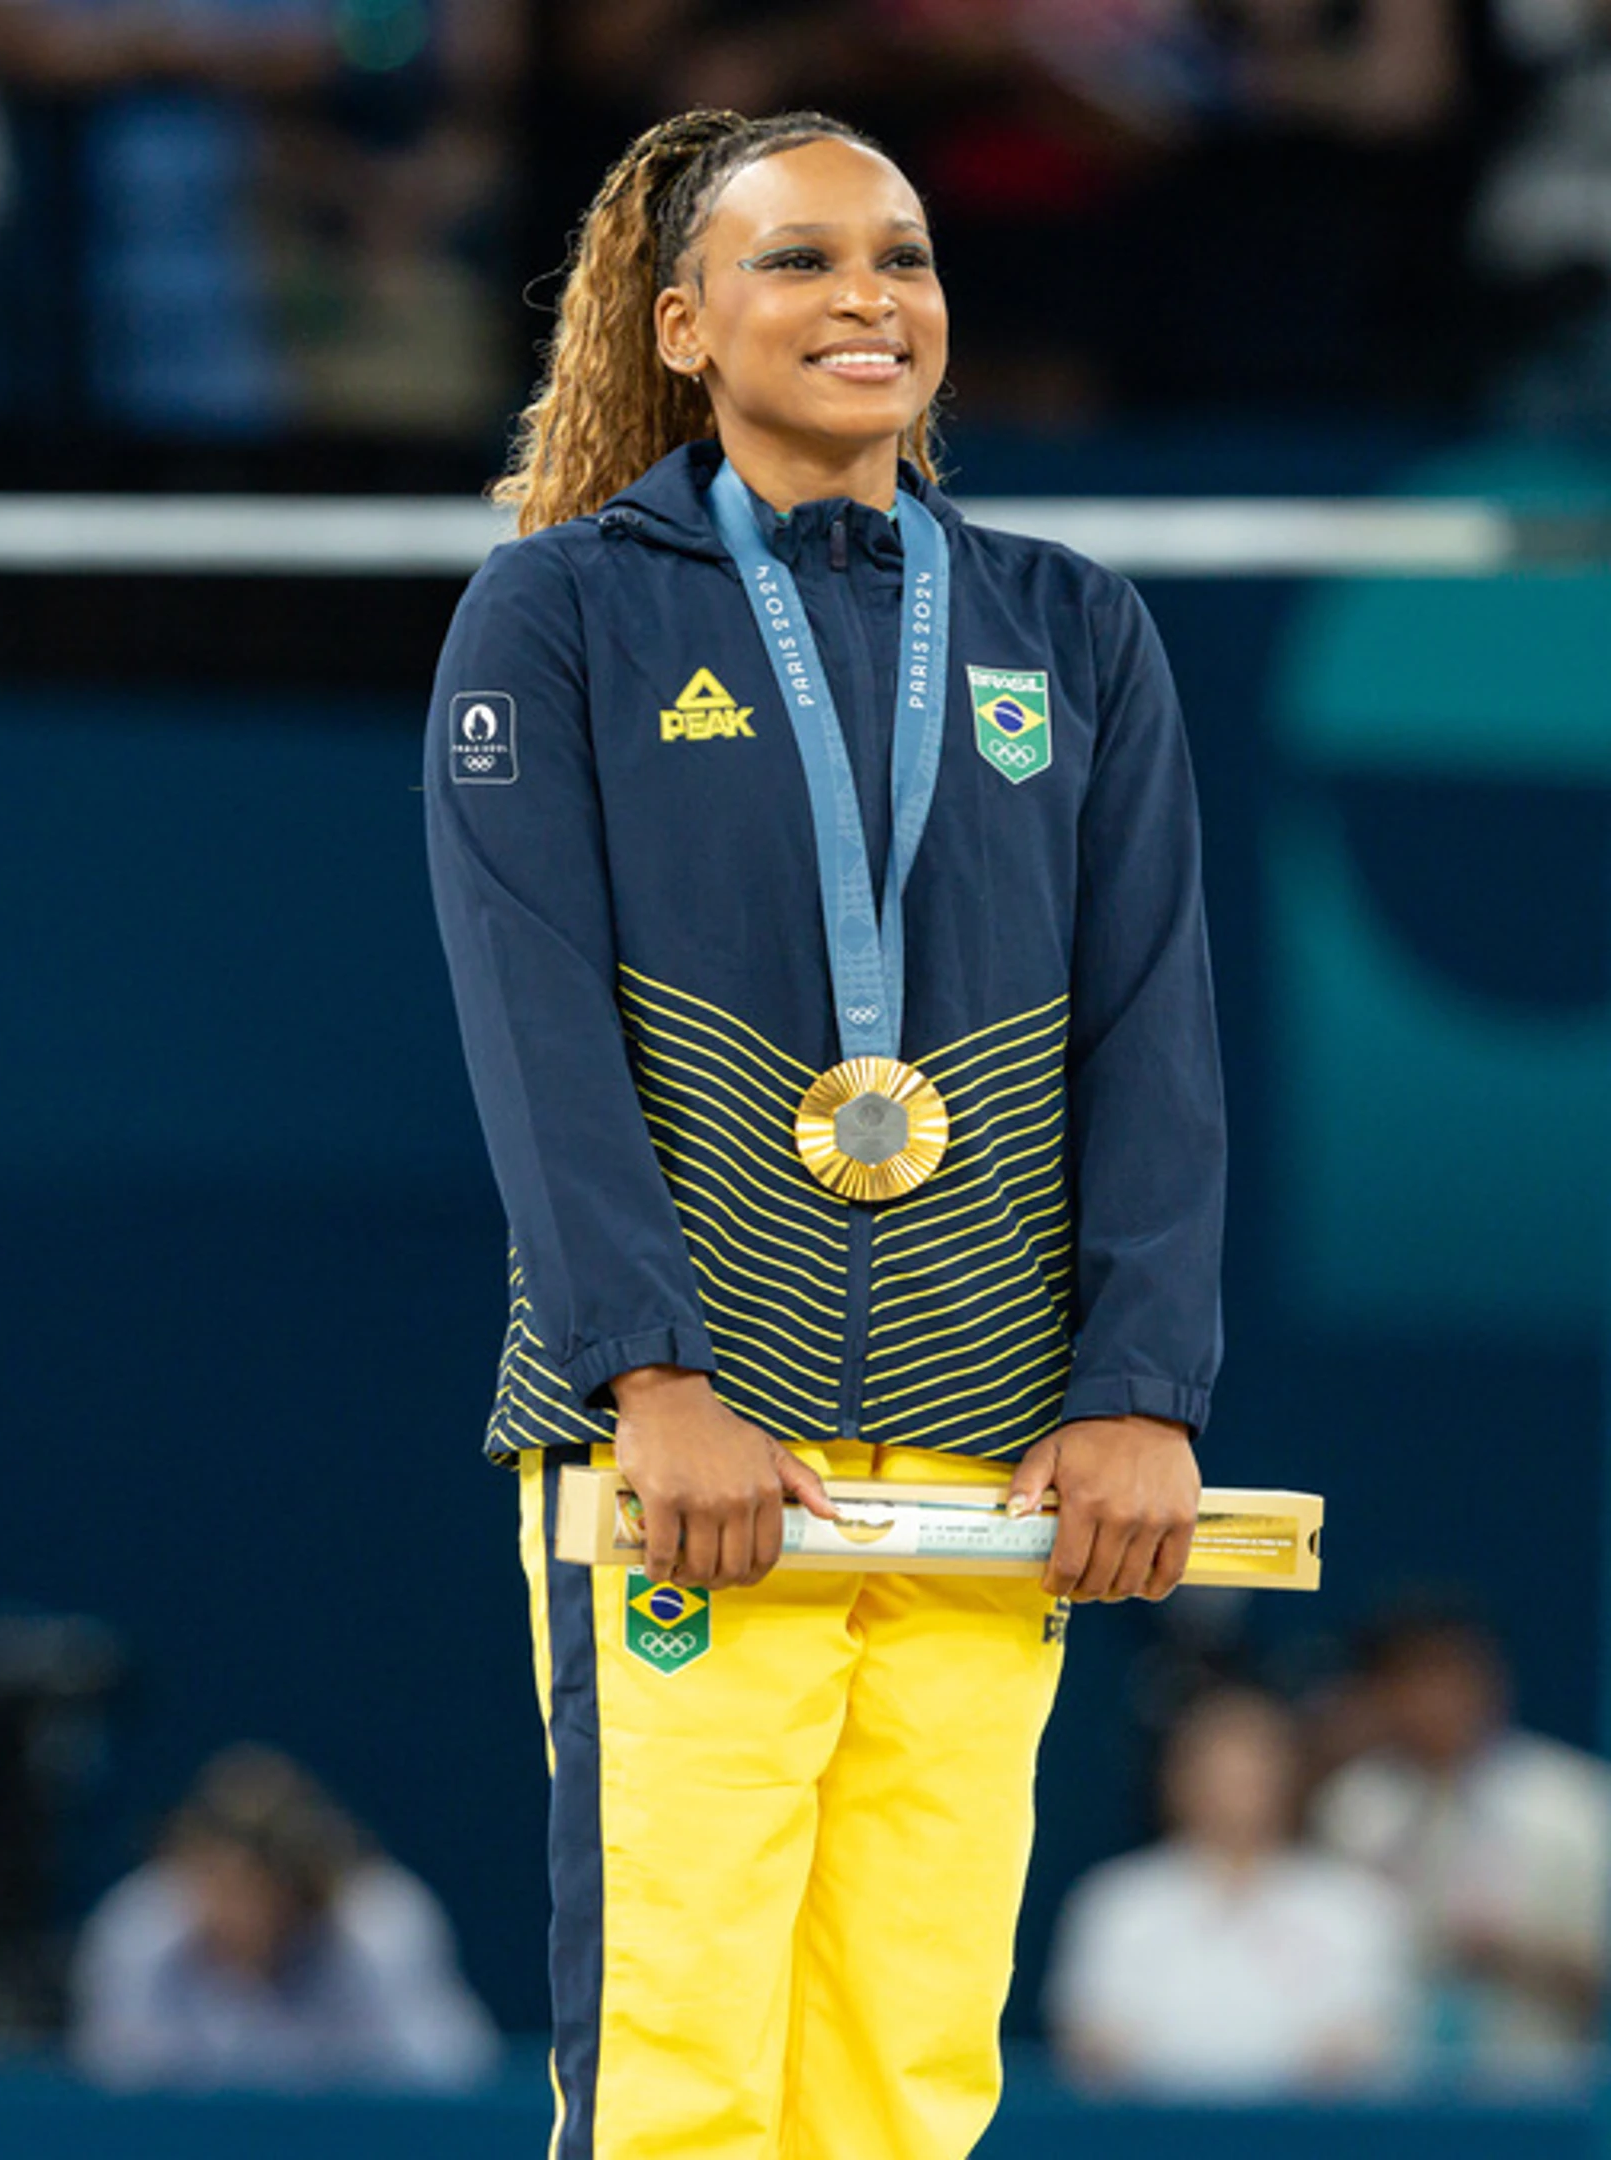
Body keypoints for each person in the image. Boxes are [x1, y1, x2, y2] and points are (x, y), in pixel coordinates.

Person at [422, 110, 1224, 2159]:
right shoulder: (560, 616)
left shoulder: (1071, 626)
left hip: (991, 1446)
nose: (868, 297)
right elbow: (534, 1033)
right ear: (683, 323)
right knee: (682, 2060)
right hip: (693, 1453)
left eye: (903, 256)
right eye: (799, 259)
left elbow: (1152, 1033)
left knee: (909, 2065)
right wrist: (650, 1381)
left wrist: (1140, 1388)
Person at [1047, 1684, 1412, 2096]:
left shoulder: (1354, 1905)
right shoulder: (1117, 1901)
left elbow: (1369, 2044)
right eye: (1215, 1772)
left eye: (1252, 1772)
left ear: (1290, 1777)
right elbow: (1090, 2044)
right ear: (1175, 1779)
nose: (1234, 1791)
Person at [69, 1743, 495, 2091]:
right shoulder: (141, 1926)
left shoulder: (379, 1925)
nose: (231, 1907)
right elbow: (108, 2083)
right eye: (214, 1882)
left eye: (251, 1886)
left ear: (300, 1883)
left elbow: (453, 2075)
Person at [1312, 1605, 1611, 2088]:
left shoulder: (1574, 1805)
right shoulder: (1353, 1808)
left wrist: (1517, 1950)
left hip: (1540, 2088)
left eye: (1450, 1679)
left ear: (1490, 1684)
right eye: (1414, 1682)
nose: (1434, 1703)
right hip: (1390, 2089)